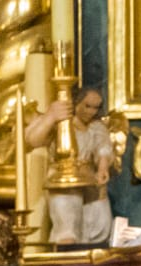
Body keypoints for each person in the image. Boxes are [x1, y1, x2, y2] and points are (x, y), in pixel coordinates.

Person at [29, 87, 114, 246]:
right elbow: (33, 140)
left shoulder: (96, 128)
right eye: (87, 106)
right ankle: (67, 258)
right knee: (67, 225)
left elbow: (103, 147)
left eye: (96, 107)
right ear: (76, 104)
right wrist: (51, 116)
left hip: (89, 177)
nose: (92, 112)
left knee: (99, 223)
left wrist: (103, 168)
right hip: (64, 177)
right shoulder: (62, 125)